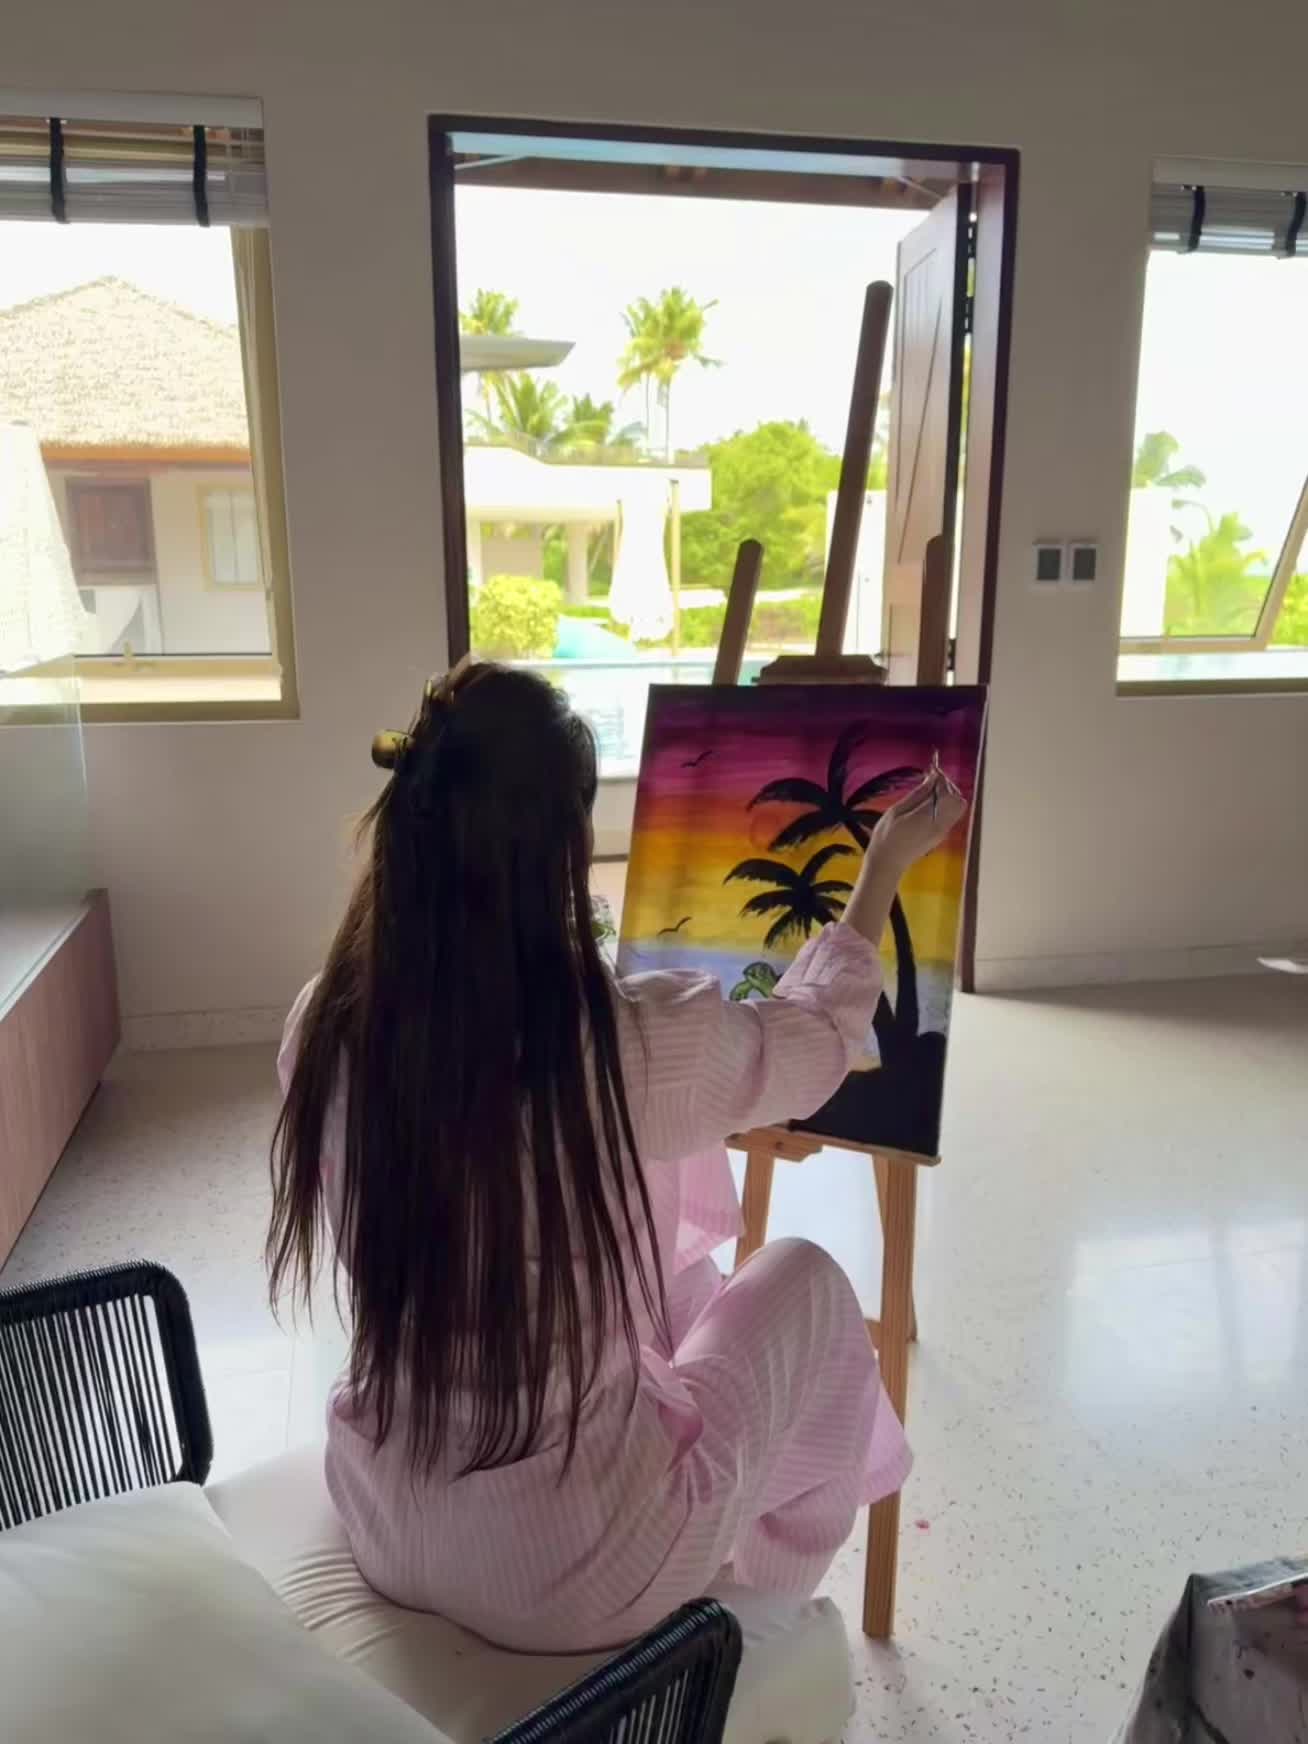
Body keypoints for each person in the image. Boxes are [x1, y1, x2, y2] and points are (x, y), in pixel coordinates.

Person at [268, 661, 966, 1653]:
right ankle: (756, 1630)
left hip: (384, 1513)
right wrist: (880, 872)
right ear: (553, 853)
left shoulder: (322, 1022)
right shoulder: (610, 1044)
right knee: (807, 1285)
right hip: (571, 1567)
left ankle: (716, 1581)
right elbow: (811, 1043)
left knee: (669, 1279)